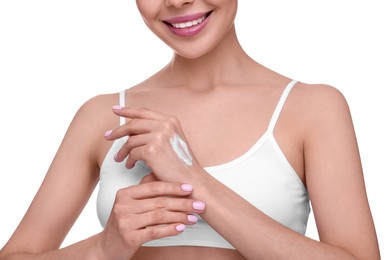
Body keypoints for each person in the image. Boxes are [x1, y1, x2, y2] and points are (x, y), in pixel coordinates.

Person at [0, 0, 381, 259]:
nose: (178, 0)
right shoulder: (103, 116)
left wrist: (194, 182)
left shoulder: (312, 108)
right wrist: (104, 247)